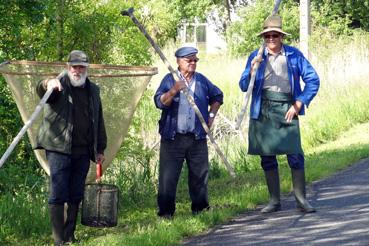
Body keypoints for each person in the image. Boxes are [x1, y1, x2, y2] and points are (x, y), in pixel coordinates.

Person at [239, 15, 320, 213]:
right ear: (263, 37)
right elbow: (243, 86)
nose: (271, 39)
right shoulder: (255, 56)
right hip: (263, 109)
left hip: (287, 108)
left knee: (295, 154)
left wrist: (299, 103)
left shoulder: (293, 55)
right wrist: (251, 70)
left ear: (281, 36)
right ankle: (274, 201)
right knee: (267, 157)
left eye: (275, 35)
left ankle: (301, 199)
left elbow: (313, 80)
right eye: (267, 36)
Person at [36, 50, 107, 245]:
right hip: (59, 149)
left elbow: (98, 119)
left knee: (76, 193)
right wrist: (47, 83)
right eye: (74, 66)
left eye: (81, 67)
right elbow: (42, 89)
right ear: (68, 67)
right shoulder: (58, 85)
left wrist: (100, 149)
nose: (77, 70)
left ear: (86, 69)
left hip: (83, 151)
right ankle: (59, 239)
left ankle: (70, 234)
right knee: (58, 193)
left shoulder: (93, 90)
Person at [154, 46, 224, 218]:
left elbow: (218, 96)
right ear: (178, 61)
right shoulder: (170, 79)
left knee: (199, 176)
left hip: (197, 137)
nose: (193, 63)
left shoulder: (201, 81)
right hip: (172, 138)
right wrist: (174, 90)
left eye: (195, 60)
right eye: (189, 60)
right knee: (167, 178)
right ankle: (166, 213)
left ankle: (201, 210)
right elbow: (159, 102)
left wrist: (211, 115)